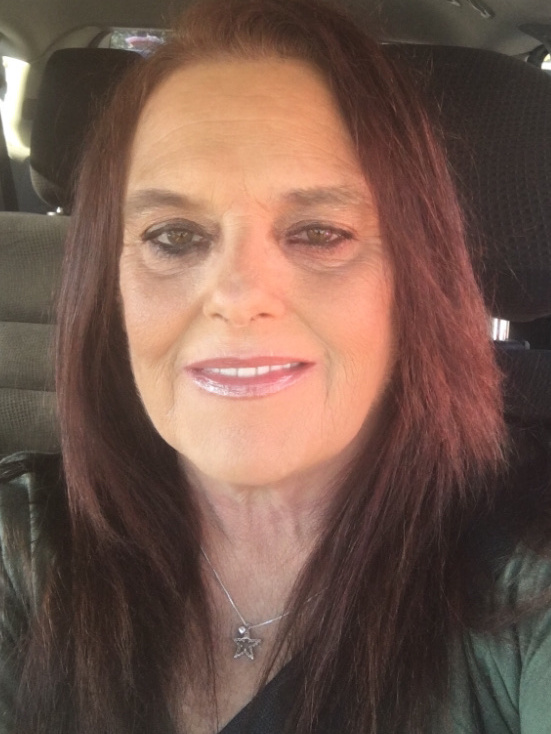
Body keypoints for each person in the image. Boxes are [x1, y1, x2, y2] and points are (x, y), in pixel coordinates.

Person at [1, 0, 551, 732]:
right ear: (111, 287)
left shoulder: (524, 579)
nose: (235, 297)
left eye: (319, 232)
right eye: (174, 236)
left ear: (415, 282)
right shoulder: (25, 547)